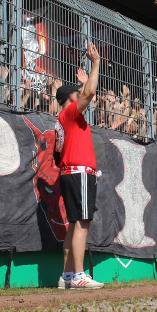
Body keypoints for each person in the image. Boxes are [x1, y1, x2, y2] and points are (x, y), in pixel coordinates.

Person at [56, 42, 103, 290]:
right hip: (79, 174)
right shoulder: (71, 114)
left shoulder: (63, 119)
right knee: (83, 223)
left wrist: (84, 82)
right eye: (76, 93)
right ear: (69, 100)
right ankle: (78, 275)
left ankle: (66, 276)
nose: (80, 94)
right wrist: (95, 64)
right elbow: (90, 94)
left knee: (74, 224)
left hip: (68, 174)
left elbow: (86, 93)